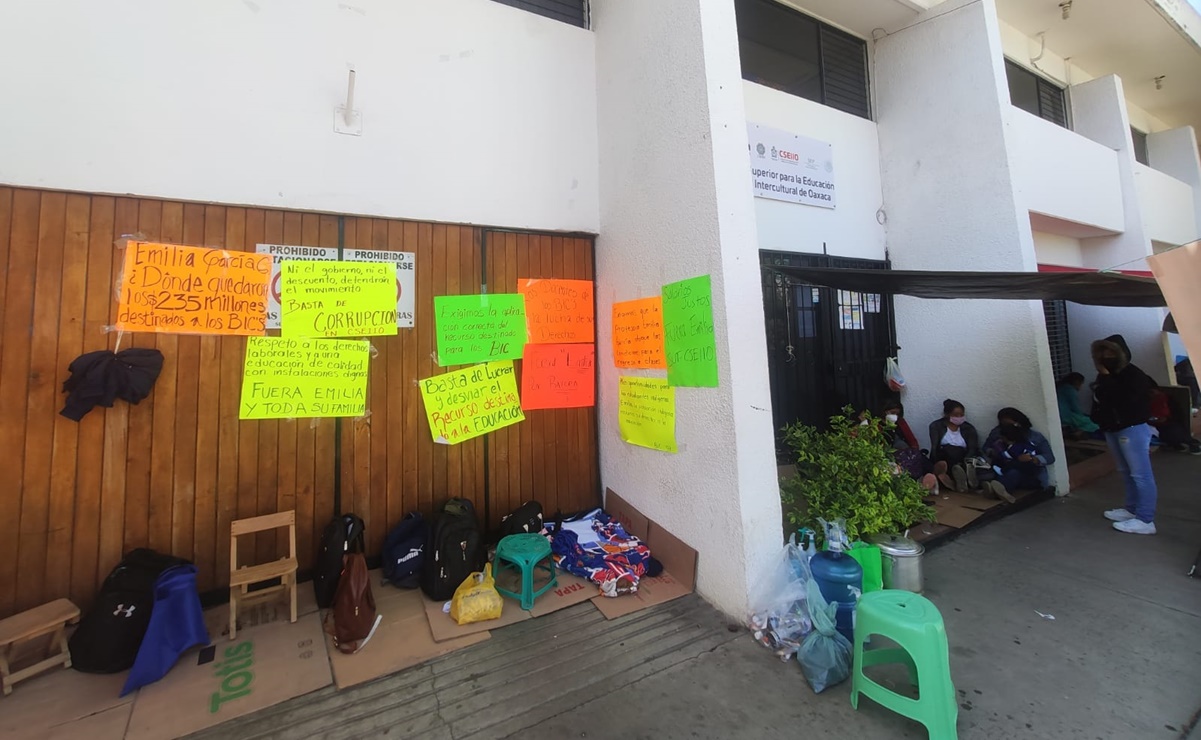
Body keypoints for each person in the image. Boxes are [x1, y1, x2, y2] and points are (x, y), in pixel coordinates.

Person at [1091, 334, 1158, 535]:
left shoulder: (1133, 375)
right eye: (1103, 351)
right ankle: (1131, 509)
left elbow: (1122, 399)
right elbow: (1101, 399)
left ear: (1121, 353)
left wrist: (1105, 377)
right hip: (1113, 429)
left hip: (1131, 429)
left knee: (1141, 475)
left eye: (1111, 351)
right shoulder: (1106, 376)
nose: (1106, 356)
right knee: (1125, 471)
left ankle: (1146, 519)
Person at [983, 406, 1057, 489]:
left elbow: (1050, 457)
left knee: (1013, 473)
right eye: (1003, 424)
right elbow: (985, 447)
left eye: (1010, 425)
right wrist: (993, 451)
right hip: (1002, 466)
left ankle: (997, 489)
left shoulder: (1034, 437)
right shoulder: (998, 433)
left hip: (1026, 472)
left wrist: (1033, 459)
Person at [881, 400, 938, 492]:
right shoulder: (878, 425)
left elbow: (911, 440)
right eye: (892, 413)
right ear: (885, 411)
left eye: (897, 413)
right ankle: (918, 488)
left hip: (907, 452)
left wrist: (913, 451)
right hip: (892, 455)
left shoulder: (900, 422)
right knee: (905, 467)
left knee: (923, 462)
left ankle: (928, 481)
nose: (895, 416)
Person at [929, 399, 980, 492]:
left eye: (962, 415)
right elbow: (934, 447)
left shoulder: (968, 428)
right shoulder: (936, 426)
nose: (959, 417)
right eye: (956, 415)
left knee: (961, 455)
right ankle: (960, 479)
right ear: (947, 414)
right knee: (950, 450)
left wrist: (966, 459)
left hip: (963, 457)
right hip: (945, 457)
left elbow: (973, 448)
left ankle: (964, 478)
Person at [1148, 381, 1201, 455]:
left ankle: (1190, 443)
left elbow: (1177, 415)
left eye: (1151, 392)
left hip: (1167, 424)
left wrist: (1165, 419)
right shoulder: (1146, 400)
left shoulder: (1167, 399)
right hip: (1151, 424)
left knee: (1174, 431)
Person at [1056, 373, 1100, 437]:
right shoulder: (1070, 390)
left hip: (1060, 415)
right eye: (1081, 383)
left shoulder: (1061, 387)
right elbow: (1076, 408)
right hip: (1066, 416)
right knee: (1092, 423)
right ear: (1077, 382)